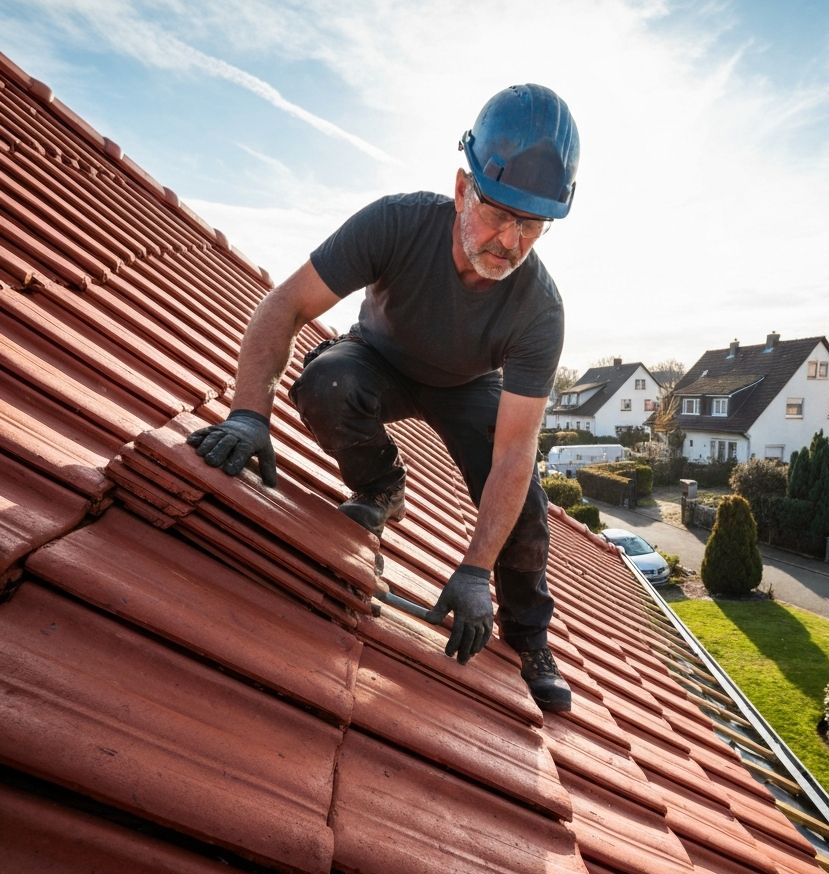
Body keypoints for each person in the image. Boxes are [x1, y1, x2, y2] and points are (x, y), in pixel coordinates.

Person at [188, 84, 580, 714]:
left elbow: (512, 454)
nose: (510, 241)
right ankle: (379, 487)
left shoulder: (539, 309)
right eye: (498, 212)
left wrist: (476, 569)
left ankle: (531, 638)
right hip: (377, 357)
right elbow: (284, 305)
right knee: (327, 383)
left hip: (467, 386)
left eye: (531, 223)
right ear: (462, 189)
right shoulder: (396, 223)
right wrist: (246, 412)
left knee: (526, 504)